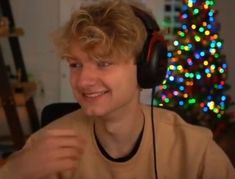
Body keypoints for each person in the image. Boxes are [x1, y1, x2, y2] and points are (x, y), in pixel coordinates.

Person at [0, 0, 234, 178]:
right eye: (75, 64)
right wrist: (14, 172)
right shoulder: (44, 148)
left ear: (146, 69)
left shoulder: (194, 150)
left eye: (104, 63)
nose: (83, 81)